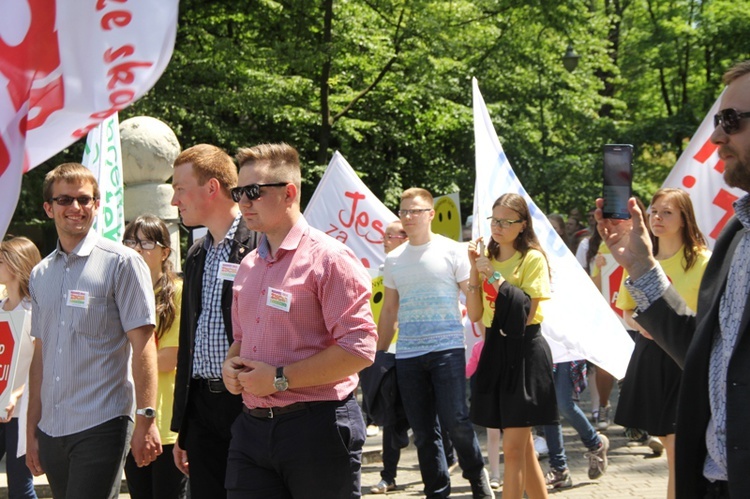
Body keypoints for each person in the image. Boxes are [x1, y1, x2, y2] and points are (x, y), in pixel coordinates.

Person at [595, 60, 750, 498]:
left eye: (731, 121)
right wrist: (641, 265)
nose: (718, 136)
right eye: (719, 121)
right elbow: (700, 353)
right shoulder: (737, 236)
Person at [221, 143, 377, 497]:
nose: (243, 202)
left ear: (289, 193)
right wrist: (232, 366)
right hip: (252, 429)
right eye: (238, 192)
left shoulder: (331, 259)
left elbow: (360, 349)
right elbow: (242, 340)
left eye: (254, 192)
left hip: (317, 426)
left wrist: (278, 379)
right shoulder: (248, 266)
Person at [26, 163, 160, 499]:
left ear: (97, 205)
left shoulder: (123, 262)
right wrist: (30, 432)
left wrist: (146, 417)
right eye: (65, 200)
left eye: (85, 199)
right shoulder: (40, 274)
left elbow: (144, 346)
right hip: (52, 428)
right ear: (49, 208)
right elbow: (40, 356)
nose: (75, 208)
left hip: (102, 421)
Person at [378, 188, 494, 499]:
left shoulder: (452, 250)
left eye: (415, 211)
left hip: (447, 349)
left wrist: (475, 278)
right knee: (424, 432)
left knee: (456, 421)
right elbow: (389, 309)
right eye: (404, 211)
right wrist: (378, 353)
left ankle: (476, 479)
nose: (408, 217)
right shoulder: (393, 260)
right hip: (408, 354)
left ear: (430, 214)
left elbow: (470, 298)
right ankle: (436, 490)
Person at [170, 144, 259, 498]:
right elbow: (188, 343)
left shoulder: (259, 244)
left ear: (211, 188)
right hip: (202, 410)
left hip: (248, 402)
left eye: (180, 188)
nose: (176, 200)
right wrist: (184, 428)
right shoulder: (196, 253)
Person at [614, 188, 710, 499]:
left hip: (687, 360)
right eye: (654, 211)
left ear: (685, 219)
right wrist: (647, 326)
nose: (657, 217)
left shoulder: (704, 261)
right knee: (672, 450)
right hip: (653, 358)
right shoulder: (642, 260)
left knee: (677, 450)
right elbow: (627, 310)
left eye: (667, 212)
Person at [466, 193, 558, 499]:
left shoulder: (533, 259)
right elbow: (477, 315)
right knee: (522, 444)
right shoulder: (486, 260)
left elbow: (525, 314)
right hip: (495, 349)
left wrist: (491, 275)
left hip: (525, 351)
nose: (499, 226)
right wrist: (473, 270)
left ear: (522, 225)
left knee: (513, 447)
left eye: (507, 221)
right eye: (495, 220)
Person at [123, 216, 188, 499]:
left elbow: (168, 359)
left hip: (164, 423)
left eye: (147, 242)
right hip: (127, 418)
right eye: (131, 242)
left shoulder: (177, 293)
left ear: (164, 252)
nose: (137, 248)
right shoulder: (120, 293)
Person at [0, 237, 41, 499]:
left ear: (15, 266)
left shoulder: (33, 313)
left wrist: (17, 394)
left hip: (22, 413)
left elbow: (43, 365)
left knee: (20, 487)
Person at [465, 331, 502, 490]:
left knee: (511, 437)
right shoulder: (479, 347)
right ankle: (495, 474)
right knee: (492, 435)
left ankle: (517, 473)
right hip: (491, 398)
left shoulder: (508, 346)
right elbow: (468, 370)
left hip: (509, 397)